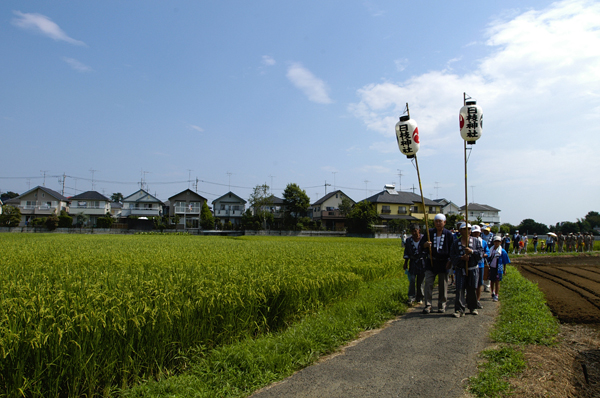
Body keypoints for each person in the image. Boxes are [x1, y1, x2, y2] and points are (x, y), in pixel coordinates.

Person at [422, 213, 454, 314]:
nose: (438, 223)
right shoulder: (429, 232)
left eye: (440, 221)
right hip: (431, 261)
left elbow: (453, 249)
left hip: (443, 263)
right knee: (428, 283)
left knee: (443, 285)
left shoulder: (449, 234)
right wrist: (425, 245)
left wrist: (450, 261)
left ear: (444, 223)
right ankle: (428, 305)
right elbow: (421, 245)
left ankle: (441, 305)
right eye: (436, 221)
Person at [450, 223, 483, 317]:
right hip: (461, 270)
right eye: (464, 229)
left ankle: (473, 307)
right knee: (460, 289)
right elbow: (452, 256)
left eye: (469, 229)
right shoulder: (456, 243)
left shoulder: (476, 241)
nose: (467, 231)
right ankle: (459, 310)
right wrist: (461, 258)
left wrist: (472, 252)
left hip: (473, 269)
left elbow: (480, 254)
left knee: (472, 289)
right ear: (460, 231)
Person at [403, 224, 426, 305]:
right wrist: (405, 262)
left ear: (419, 230)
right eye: (412, 231)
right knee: (412, 280)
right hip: (413, 262)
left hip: (422, 262)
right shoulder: (409, 240)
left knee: (420, 281)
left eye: (415, 231)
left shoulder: (424, 239)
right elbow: (406, 252)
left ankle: (420, 297)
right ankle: (411, 297)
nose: (414, 233)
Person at [471, 225, 489, 309]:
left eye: (477, 232)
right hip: (471, 265)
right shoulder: (469, 241)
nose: (476, 234)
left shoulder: (483, 242)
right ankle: (470, 300)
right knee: (471, 283)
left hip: (480, 265)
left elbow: (487, 252)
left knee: (479, 283)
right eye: (474, 232)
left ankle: (477, 300)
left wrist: (483, 255)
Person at [488, 235, 510, 302]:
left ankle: (496, 295)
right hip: (491, 267)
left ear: (500, 242)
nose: (496, 243)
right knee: (492, 280)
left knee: (497, 281)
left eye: (498, 241)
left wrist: (504, 269)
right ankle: (493, 292)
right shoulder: (491, 250)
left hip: (499, 268)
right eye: (495, 241)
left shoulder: (502, 251)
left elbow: (505, 261)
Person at [480, 226, 494, 292]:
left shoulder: (492, 236)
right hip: (480, 254)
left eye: (487, 230)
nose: (486, 232)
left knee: (487, 270)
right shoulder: (480, 235)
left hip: (488, 254)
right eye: (485, 230)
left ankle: (487, 286)